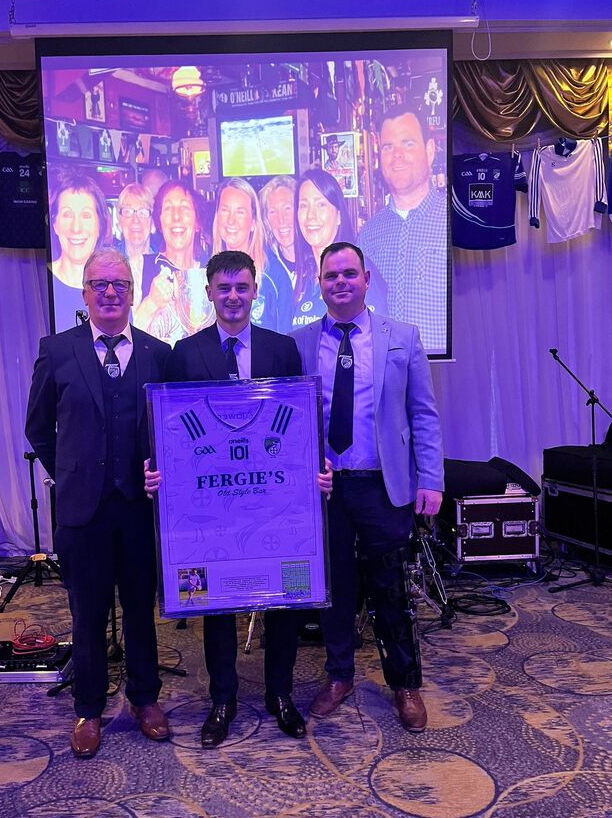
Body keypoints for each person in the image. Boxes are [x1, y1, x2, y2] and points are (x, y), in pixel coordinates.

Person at [149, 249, 332, 748]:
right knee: (216, 603)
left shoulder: (281, 349)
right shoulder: (185, 353)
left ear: (254, 291)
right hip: (212, 506)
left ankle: (280, 694)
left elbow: (297, 424)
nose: (233, 297)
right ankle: (223, 699)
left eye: (242, 287)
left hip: (275, 502)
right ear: (209, 292)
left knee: (284, 600)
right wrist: (161, 472)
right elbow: (173, 430)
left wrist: (314, 470)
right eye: (224, 288)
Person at [25, 248, 171, 759]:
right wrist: (71, 473)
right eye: (99, 284)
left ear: (133, 292)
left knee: (140, 611)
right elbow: (38, 428)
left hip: (138, 508)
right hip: (81, 512)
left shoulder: (158, 352)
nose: (110, 293)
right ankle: (88, 709)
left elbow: (170, 429)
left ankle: (144, 699)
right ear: (84, 293)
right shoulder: (56, 351)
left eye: (120, 284)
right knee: (86, 614)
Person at [293, 241, 443, 733]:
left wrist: (431, 479)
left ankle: (405, 684)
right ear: (319, 283)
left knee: (390, 589)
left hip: (384, 487)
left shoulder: (403, 336)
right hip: (324, 491)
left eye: (348, 274)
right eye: (331, 275)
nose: (340, 282)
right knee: (334, 590)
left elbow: (423, 414)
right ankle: (339, 675)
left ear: (366, 280)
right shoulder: (297, 343)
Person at [358, 108, 447, 353]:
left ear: (429, 151)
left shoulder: (454, 223)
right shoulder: (368, 236)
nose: (397, 155)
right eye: (388, 146)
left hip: (440, 370)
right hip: (383, 371)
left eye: (407, 143)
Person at [133, 180, 213, 344]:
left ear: (197, 223)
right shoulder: (138, 269)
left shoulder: (212, 273)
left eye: (184, 208)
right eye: (168, 208)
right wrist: (150, 304)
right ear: (160, 222)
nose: (176, 217)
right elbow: (123, 338)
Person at [212, 178, 279, 331]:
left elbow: (286, 339)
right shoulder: (206, 273)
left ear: (253, 222)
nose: (231, 221)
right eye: (225, 210)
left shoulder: (274, 276)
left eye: (240, 212)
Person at [293, 169, 355, 330]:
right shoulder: (305, 278)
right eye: (303, 205)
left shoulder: (355, 275)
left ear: (339, 216)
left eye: (321, 204)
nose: (310, 215)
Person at [49, 168, 111, 288]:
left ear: (100, 226)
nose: (76, 228)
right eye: (67, 214)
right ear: (55, 224)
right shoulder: (38, 280)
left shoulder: (115, 286)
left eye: (86, 215)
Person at [259, 175, 296, 333]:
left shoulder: (319, 263)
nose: (281, 220)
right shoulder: (262, 268)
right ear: (266, 220)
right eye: (273, 212)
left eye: (287, 208)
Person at [115, 183, 155, 310]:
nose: (135, 220)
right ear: (119, 222)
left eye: (143, 212)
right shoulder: (108, 266)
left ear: (153, 224)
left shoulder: (164, 267)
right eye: (128, 212)